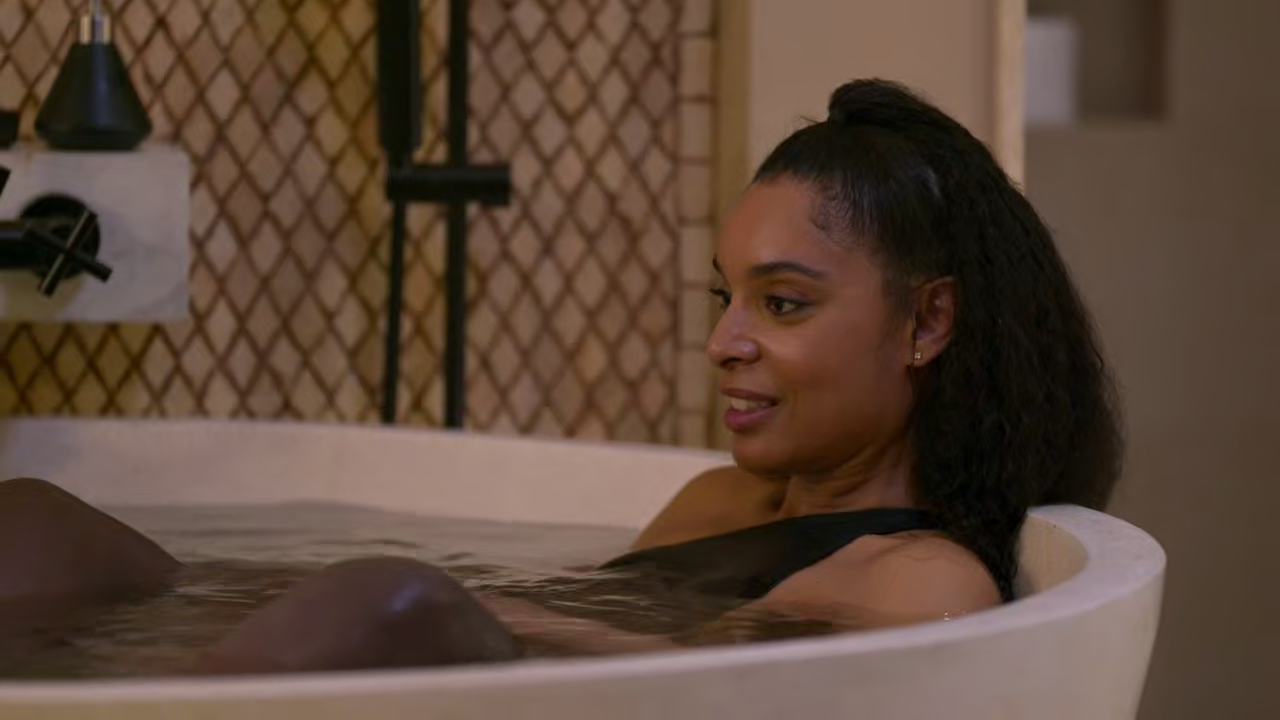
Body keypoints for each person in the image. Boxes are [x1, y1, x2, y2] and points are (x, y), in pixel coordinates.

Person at [0, 78, 1122, 675]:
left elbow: (701, 696)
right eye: (723, 298)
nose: (725, 342)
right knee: (36, 520)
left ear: (928, 322)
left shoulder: (923, 581)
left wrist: (466, 606)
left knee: (391, 598)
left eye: (781, 304)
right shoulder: (721, 500)